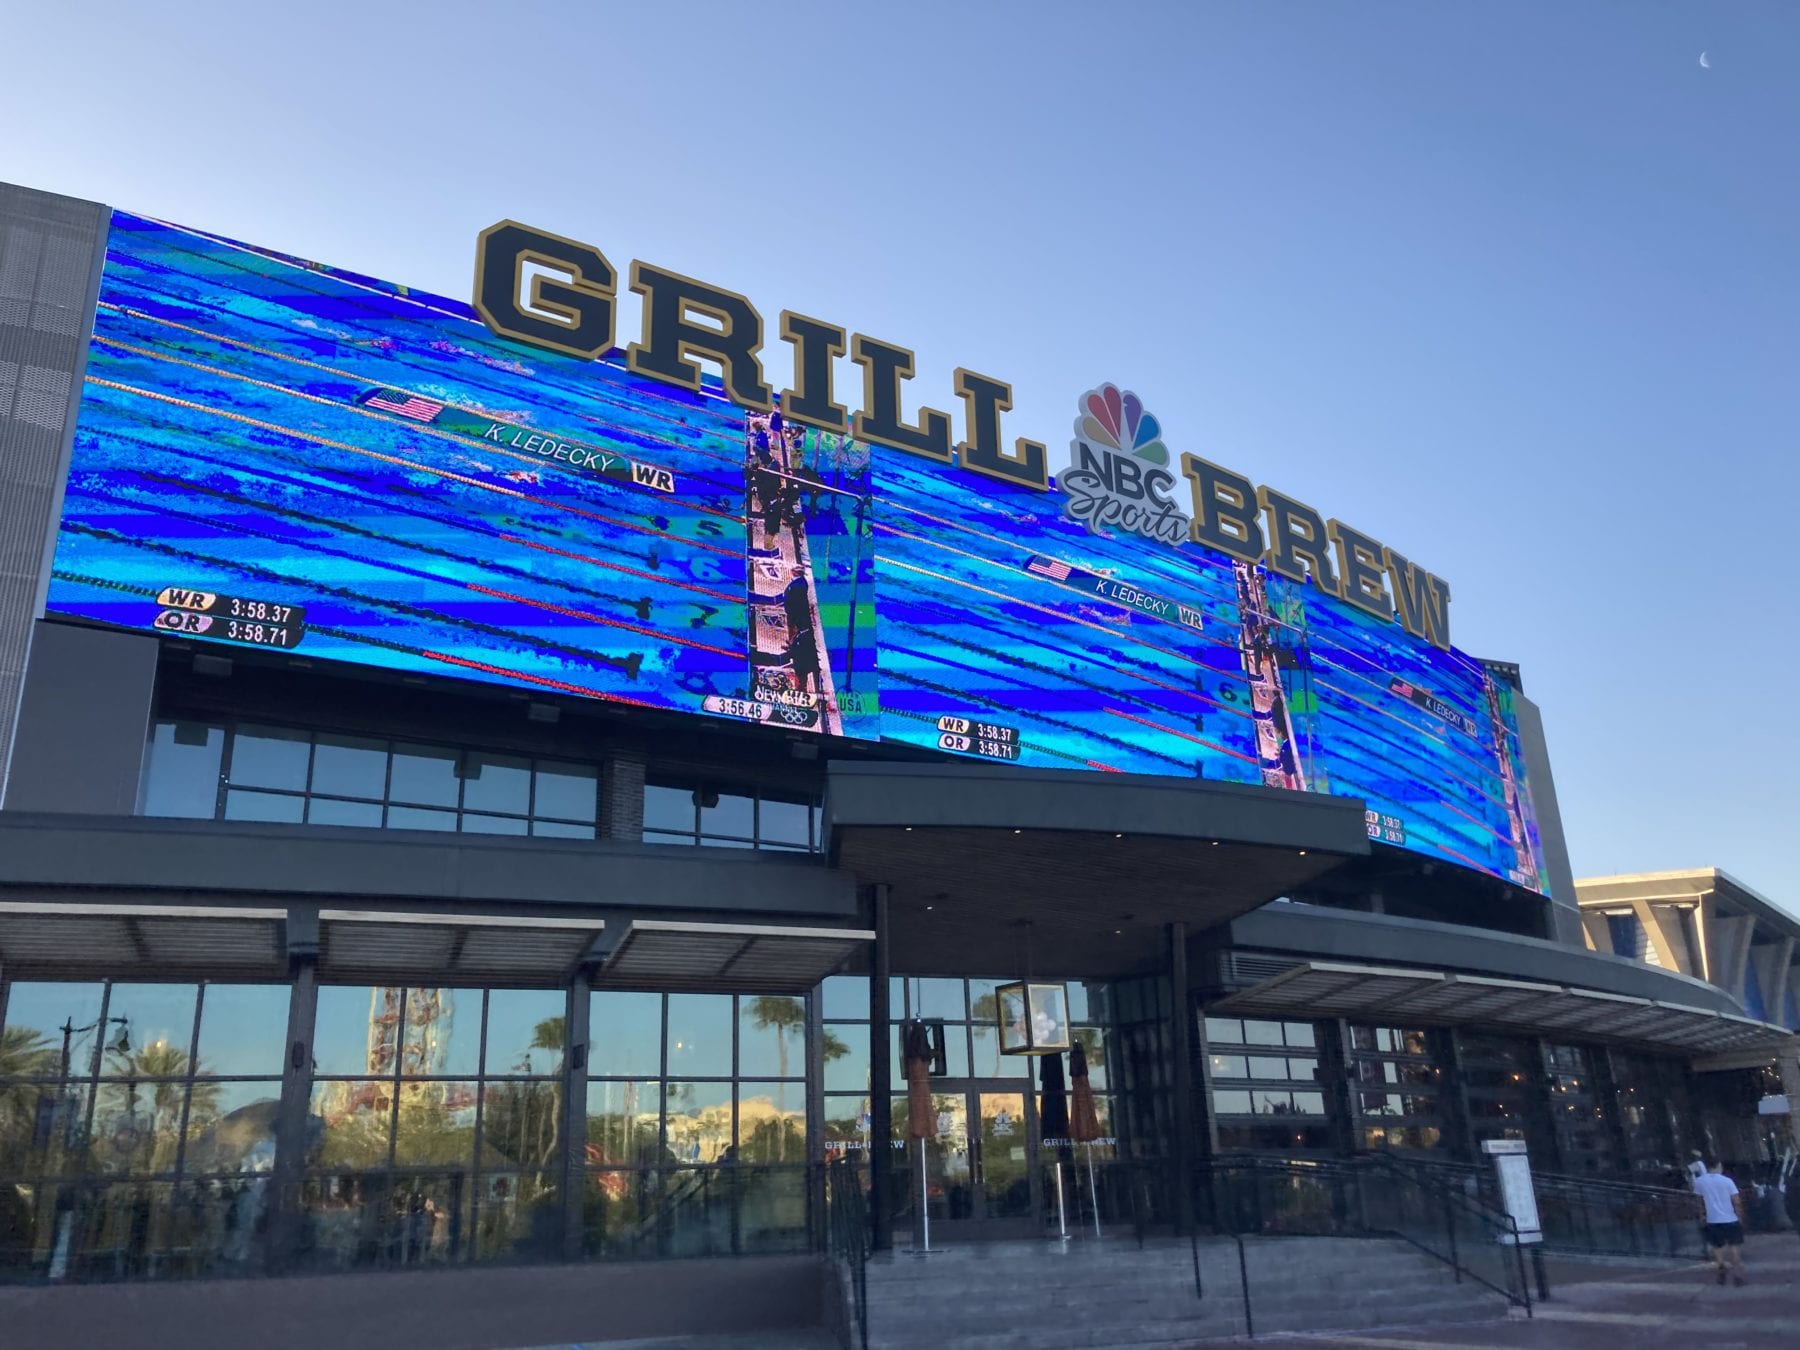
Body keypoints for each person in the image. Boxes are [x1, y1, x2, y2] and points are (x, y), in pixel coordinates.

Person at [1693, 1158, 1746, 1285]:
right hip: (1730, 1218)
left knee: (1717, 1246)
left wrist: (1702, 1216)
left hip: (1713, 1219)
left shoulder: (1700, 1182)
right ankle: (1737, 1274)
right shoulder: (1728, 1181)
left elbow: (1699, 1202)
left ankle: (1721, 1267)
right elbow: (1736, 1201)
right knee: (1735, 1246)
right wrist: (1740, 1216)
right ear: (1718, 1165)